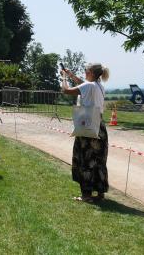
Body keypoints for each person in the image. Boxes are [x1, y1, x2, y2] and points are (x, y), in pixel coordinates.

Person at [61, 62, 110, 203]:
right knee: (99, 160)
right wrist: (71, 75)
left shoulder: (89, 86)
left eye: (86, 70)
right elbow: (84, 84)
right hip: (99, 126)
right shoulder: (98, 86)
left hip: (87, 127)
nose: (84, 72)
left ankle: (86, 195)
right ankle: (100, 193)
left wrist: (64, 77)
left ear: (91, 73)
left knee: (85, 160)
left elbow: (66, 90)